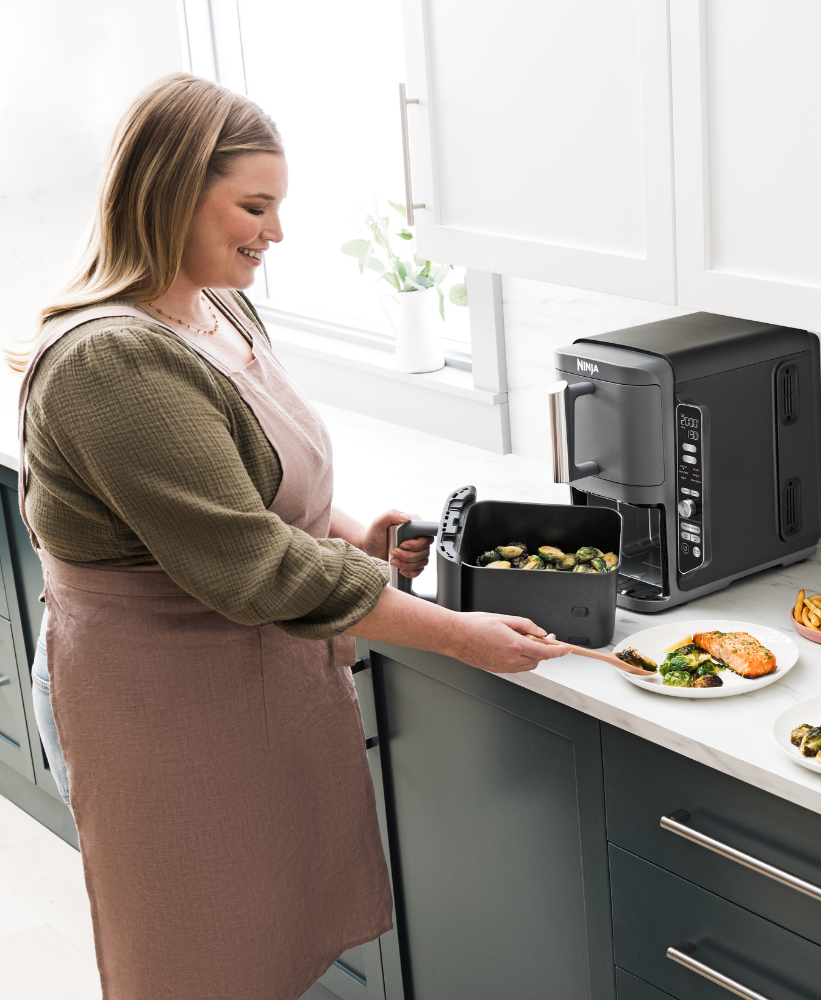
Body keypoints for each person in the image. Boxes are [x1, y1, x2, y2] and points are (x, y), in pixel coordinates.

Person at [17, 72, 569, 1000]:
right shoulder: (112, 358)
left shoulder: (212, 305)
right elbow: (255, 564)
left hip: (244, 679)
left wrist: (356, 534)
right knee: (192, 958)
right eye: (255, 206)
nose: (276, 233)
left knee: (263, 944)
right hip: (155, 703)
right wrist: (458, 635)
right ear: (170, 192)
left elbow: (248, 482)